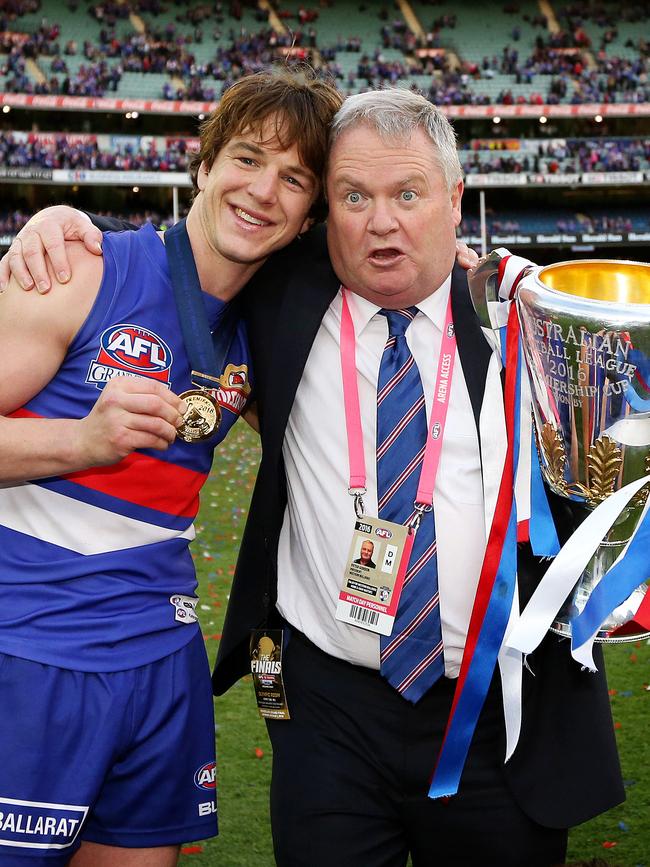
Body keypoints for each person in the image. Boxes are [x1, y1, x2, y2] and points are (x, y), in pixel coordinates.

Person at [3, 90, 618, 867]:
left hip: (498, 712)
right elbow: (180, 270)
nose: (382, 221)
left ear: (454, 200)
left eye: (408, 194)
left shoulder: (527, 320)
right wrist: (57, 218)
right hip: (321, 716)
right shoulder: (282, 300)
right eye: (355, 197)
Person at [0, 66, 342, 867]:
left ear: (306, 218)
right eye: (249, 159)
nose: (263, 190)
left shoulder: (271, 334)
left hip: (161, 663)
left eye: (294, 178)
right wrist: (79, 444)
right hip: (31, 651)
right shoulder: (82, 270)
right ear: (205, 165)